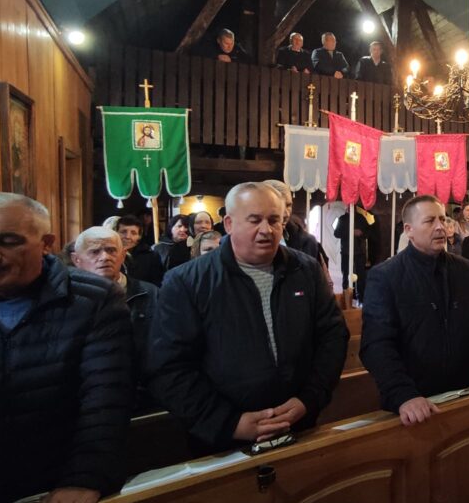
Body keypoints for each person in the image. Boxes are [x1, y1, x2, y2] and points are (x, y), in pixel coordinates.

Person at [0, 193, 132, 503]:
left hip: (57, 494)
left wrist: (83, 477)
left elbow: (106, 398)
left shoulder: (93, 299)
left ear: (46, 244)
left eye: (7, 241)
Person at [143, 182, 348, 453]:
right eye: (254, 220)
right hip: (222, 440)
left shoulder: (306, 270)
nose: (266, 230)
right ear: (229, 224)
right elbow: (169, 367)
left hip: (299, 423)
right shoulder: (187, 281)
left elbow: (332, 337)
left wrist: (309, 399)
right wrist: (229, 423)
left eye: (274, 220)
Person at [360, 195, 469, 425]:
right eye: (429, 221)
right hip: (412, 402)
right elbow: (376, 345)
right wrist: (403, 394)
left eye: (443, 219)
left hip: (463, 392)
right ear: (409, 230)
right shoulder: (385, 276)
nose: (440, 227)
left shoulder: (468, 271)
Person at [70, 226, 157, 404]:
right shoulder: (65, 299)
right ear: (76, 259)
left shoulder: (150, 294)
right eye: (95, 251)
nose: (105, 257)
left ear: (123, 255)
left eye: (111, 250)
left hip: (143, 393)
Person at [334, 206, 380, 301]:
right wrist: (350, 232)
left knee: (360, 276)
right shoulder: (342, 219)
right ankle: (346, 299)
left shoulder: (361, 218)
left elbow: (368, 232)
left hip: (359, 252)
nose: (350, 209)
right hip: (346, 252)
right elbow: (337, 233)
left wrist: (361, 233)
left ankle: (361, 299)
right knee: (346, 275)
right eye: (348, 207)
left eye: (352, 207)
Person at [117, 214, 165, 286]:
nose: (128, 236)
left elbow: (157, 284)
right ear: (116, 233)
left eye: (133, 233)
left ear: (139, 237)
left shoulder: (151, 257)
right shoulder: (109, 255)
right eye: (123, 232)